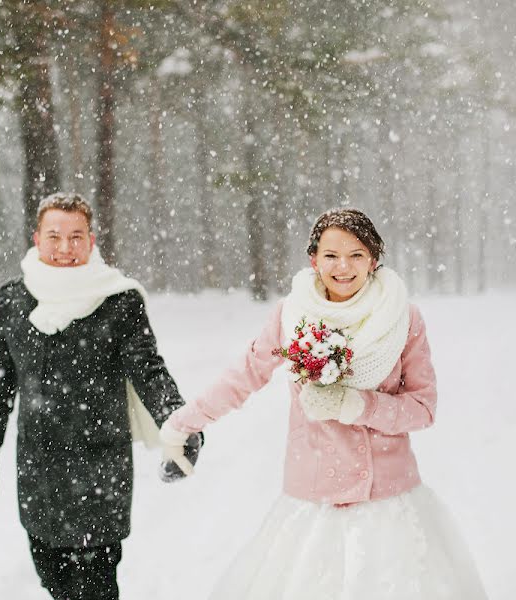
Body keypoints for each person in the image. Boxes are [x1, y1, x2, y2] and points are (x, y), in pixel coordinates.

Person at [160, 208, 488, 599]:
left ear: (374, 260)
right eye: (331, 255)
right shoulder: (292, 314)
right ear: (313, 259)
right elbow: (245, 375)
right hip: (314, 503)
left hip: (389, 504)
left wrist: (359, 406)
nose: (343, 267)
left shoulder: (403, 318)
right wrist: (185, 422)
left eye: (356, 254)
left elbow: (423, 408)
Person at [0, 192, 199, 600]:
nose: (65, 248)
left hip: (99, 469)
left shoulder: (118, 300)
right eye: (54, 236)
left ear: (91, 241)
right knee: (54, 581)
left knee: (96, 586)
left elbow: (148, 370)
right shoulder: (13, 299)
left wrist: (179, 423)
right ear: (36, 238)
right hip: (39, 469)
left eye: (76, 237)